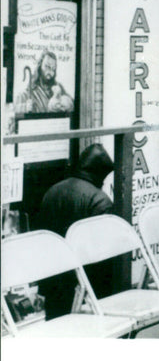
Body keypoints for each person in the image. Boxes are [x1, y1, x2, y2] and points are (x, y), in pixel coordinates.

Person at [36, 144, 114, 319]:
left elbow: (41, 238)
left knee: (56, 328)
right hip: (85, 280)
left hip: (54, 275)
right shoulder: (100, 200)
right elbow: (103, 251)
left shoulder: (52, 191)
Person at [16, 50, 74, 114]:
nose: (50, 72)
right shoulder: (26, 94)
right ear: (39, 66)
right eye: (47, 66)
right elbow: (15, 112)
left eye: (53, 69)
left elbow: (73, 105)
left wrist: (66, 104)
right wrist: (24, 107)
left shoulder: (59, 88)